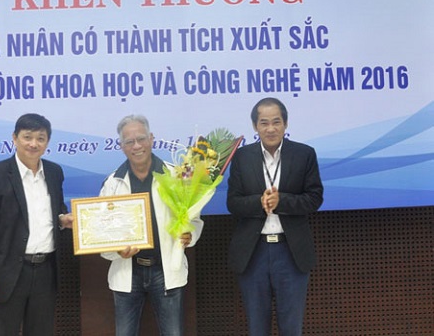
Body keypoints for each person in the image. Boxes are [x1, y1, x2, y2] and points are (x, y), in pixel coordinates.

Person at [0, 113, 73, 336]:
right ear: (14, 138)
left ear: (47, 142)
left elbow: (55, 211)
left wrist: (63, 220)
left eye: (41, 138)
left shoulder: (54, 173)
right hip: (6, 272)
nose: (33, 144)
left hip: (46, 271)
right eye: (27, 137)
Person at [226, 97, 324, 336]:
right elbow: (233, 203)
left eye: (276, 122)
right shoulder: (242, 157)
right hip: (254, 252)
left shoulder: (304, 154)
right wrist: (258, 203)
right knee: (257, 327)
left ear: (286, 124)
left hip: (290, 252)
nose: (270, 128)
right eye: (264, 123)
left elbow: (314, 198)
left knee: (291, 327)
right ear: (255, 127)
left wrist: (283, 201)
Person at [99, 114, 202, 336]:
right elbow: (102, 234)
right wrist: (116, 251)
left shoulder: (177, 175)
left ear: (152, 139)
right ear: (122, 146)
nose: (137, 146)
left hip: (165, 270)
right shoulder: (112, 183)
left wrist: (189, 235)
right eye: (129, 142)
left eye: (141, 139)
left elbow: (193, 218)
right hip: (128, 271)